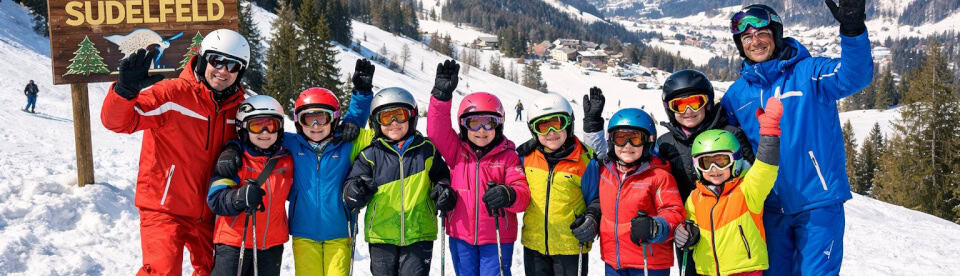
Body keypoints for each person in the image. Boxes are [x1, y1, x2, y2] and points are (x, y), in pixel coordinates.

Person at [719, 2, 872, 275]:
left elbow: (855, 76)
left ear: (775, 35)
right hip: (768, 207)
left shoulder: (809, 73)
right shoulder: (737, 95)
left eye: (761, 33)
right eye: (746, 37)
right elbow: (720, 139)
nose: (755, 41)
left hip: (817, 204)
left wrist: (853, 30)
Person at [101, 28, 251, 275]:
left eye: (233, 66)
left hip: (210, 210)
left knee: (214, 271)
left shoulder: (238, 110)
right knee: (163, 270)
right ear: (203, 59)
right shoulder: (173, 94)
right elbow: (117, 122)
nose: (223, 71)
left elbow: (267, 139)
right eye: (217, 61)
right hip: (165, 207)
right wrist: (124, 92)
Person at [427, 60, 530, 276]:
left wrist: (507, 194)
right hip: (460, 233)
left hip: (497, 235)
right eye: (474, 123)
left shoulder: (508, 156)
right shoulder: (457, 151)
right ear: (463, 126)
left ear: (499, 125)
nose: (481, 131)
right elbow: (437, 132)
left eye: (489, 123)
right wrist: (440, 97)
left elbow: (522, 193)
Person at [342, 87, 453, 276]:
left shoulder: (426, 150)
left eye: (400, 116)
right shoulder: (370, 155)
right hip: (381, 234)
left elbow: (441, 176)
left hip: (419, 233)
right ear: (376, 122)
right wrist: (353, 191)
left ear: (411, 117)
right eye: (386, 118)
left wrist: (443, 189)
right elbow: (352, 181)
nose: (394, 123)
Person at [654, 70, 755, 275]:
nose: (688, 110)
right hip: (688, 231)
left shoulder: (730, 135)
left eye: (695, 102)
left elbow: (750, 178)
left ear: (707, 103)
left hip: (730, 229)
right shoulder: (665, 144)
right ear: (669, 109)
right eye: (679, 105)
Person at [282, 59, 376, 276]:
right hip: (303, 233)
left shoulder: (345, 144)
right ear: (298, 122)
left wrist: (361, 96)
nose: (316, 127)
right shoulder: (290, 144)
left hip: (340, 232)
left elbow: (375, 135)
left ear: (334, 120)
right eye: (309, 119)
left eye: (322, 119)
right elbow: (260, 140)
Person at [673, 97, 783, 276]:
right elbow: (688, 227)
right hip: (706, 271)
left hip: (744, 271)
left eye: (721, 161)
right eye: (706, 163)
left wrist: (769, 133)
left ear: (736, 161)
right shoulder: (694, 198)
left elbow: (765, 169)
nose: (714, 169)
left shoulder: (747, 190)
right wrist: (685, 234)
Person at [581, 107, 685, 276]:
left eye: (635, 139)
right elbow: (592, 155)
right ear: (611, 141)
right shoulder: (606, 172)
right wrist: (591, 217)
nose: (627, 146)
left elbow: (674, 212)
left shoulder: (659, 176)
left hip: (648, 262)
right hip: (614, 261)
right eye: (620, 138)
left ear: (648, 141)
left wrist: (656, 227)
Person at [206, 95, 293, 276]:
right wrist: (239, 198)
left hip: (271, 246)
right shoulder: (233, 160)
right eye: (256, 125)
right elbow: (215, 199)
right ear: (242, 128)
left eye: (271, 126)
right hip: (234, 244)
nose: (264, 132)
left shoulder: (286, 160)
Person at [515, 92, 598, 275]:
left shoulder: (585, 160)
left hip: (571, 246)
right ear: (533, 131)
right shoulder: (525, 158)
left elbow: (597, 199)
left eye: (557, 124)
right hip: (534, 245)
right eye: (543, 126)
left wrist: (592, 218)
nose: (550, 133)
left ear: (569, 124)